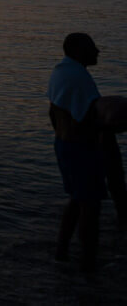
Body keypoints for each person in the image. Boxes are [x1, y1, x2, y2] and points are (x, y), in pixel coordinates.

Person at [47, 33, 127, 270]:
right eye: (92, 48)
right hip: (80, 148)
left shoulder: (61, 71)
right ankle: (88, 265)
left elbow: (58, 113)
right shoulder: (78, 77)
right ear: (78, 51)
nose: (97, 52)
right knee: (91, 207)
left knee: (77, 200)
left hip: (64, 145)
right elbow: (91, 115)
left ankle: (61, 253)